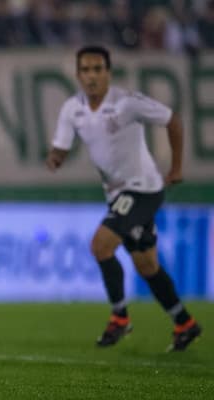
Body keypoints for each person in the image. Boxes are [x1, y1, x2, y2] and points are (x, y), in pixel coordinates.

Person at [46, 45, 201, 352]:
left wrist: (177, 168)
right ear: (78, 75)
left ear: (108, 73)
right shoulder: (72, 108)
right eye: (86, 70)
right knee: (146, 265)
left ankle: (119, 318)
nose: (92, 76)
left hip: (143, 189)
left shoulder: (126, 103)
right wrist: (55, 157)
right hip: (117, 194)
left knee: (101, 245)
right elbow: (61, 148)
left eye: (97, 69)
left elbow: (173, 120)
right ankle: (184, 323)